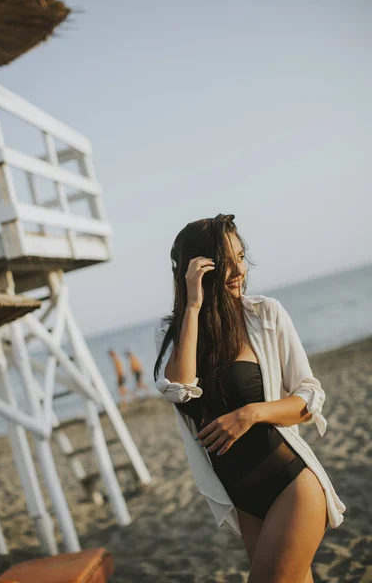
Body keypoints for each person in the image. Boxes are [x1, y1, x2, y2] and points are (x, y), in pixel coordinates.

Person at [153, 213, 346, 583]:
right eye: (226, 262)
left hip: (291, 486)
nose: (239, 269)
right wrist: (192, 307)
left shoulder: (265, 314)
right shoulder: (174, 332)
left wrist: (251, 414)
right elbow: (179, 388)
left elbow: (309, 397)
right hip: (245, 502)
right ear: (198, 269)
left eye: (241, 257)